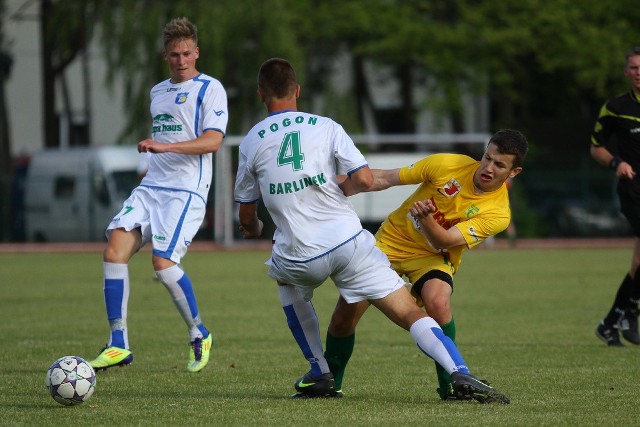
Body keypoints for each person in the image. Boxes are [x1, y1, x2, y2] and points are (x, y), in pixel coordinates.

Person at [234, 57, 510, 403]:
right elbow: (366, 178)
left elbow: (247, 214)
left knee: (287, 282)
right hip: (354, 243)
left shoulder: (250, 141)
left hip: (306, 251)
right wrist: (335, 187)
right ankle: (459, 369)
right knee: (406, 313)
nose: (488, 166)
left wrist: (254, 226)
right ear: (298, 91)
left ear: (261, 94)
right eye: (488, 158)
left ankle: (320, 372)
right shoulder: (328, 126)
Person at [322, 129, 528, 401]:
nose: (488, 168)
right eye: (487, 158)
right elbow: (384, 178)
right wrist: (323, 184)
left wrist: (426, 218)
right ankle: (329, 384)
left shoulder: (498, 214)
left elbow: (444, 240)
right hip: (390, 243)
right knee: (344, 317)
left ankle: (451, 387)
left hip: (433, 255)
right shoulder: (447, 164)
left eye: (499, 164)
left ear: (514, 172)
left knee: (439, 303)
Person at [90, 17, 228, 372]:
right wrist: (153, 158)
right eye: (174, 55)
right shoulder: (157, 91)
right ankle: (118, 342)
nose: (181, 60)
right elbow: (159, 141)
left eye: (186, 53)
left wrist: (166, 147)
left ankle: (200, 333)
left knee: (163, 264)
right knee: (113, 250)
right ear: (165, 56)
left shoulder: (210, 88)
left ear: (196, 53)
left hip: (185, 191)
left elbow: (213, 141)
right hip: (151, 187)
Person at [590, 46, 640, 347]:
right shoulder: (616, 107)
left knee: (638, 260)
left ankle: (612, 321)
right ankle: (627, 312)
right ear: (626, 72)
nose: (639, 73)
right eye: (634, 68)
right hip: (633, 190)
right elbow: (595, 148)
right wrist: (616, 162)